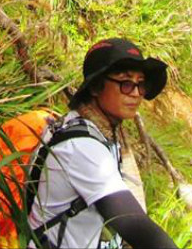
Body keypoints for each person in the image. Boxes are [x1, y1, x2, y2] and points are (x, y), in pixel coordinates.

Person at [27, 38, 178, 249]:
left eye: (141, 84)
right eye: (125, 83)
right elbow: (135, 225)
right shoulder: (83, 148)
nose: (136, 93)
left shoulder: (82, 127)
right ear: (96, 87)